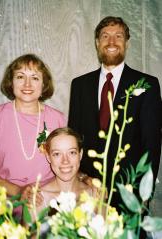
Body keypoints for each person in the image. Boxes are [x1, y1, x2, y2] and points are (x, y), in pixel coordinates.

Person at [68, 16, 162, 209]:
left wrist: (144, 193)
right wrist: (78, 179)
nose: (111, 42)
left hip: (130, 192)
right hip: (87, 190)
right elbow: (74, 138)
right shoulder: (79, 85)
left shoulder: (147, 85)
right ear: (97, 43)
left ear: (126, 43)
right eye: (105, 36)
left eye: (118, 36)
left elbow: (151, 144)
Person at [0, 53, 66, 197]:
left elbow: (65, 164)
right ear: (11, 82)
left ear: (43, 84)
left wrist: (84, 178)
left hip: (45, 200)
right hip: (4, 201)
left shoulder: (58, 119)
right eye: (20, 77)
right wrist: (17, 191)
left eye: (35, 78)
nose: (27, 84)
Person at [21, 127, 100, 215]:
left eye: (72, 152)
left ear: (80, 154)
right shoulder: (36, 199)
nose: (65, 161)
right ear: (48, 157)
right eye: (57, 154)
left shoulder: (95, 193)